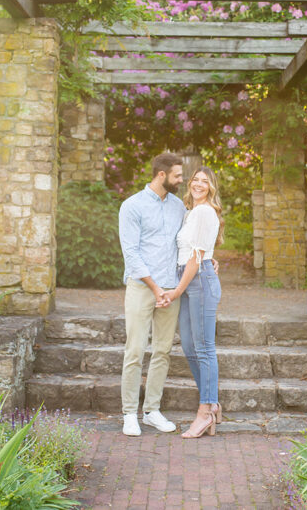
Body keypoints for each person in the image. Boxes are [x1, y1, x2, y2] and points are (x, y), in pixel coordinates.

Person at [118, 152, 186, 436]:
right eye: (177, 176)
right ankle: (129, 414)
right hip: (142, 287)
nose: (181, 180)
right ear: (162, 175)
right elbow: (131, 253)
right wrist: (156, 288)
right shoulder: (132, 206)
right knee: (134, 350)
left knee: (163, 350)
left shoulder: (179, 206)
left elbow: (185, 243)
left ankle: (152, 411)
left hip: (171, 289)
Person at [162, 166, 224, 438]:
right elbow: (195, 250)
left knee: (204, 348)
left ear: (211, 187)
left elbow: (196, 258)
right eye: (195, 180)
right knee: (189, 347)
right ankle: (212, 402)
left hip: (197, 280)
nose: (199, 184)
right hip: (189, 278)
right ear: (190, 184)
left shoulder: (204, 211)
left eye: (205, 181)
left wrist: (176, 291)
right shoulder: (191, 212)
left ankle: (204, 412)